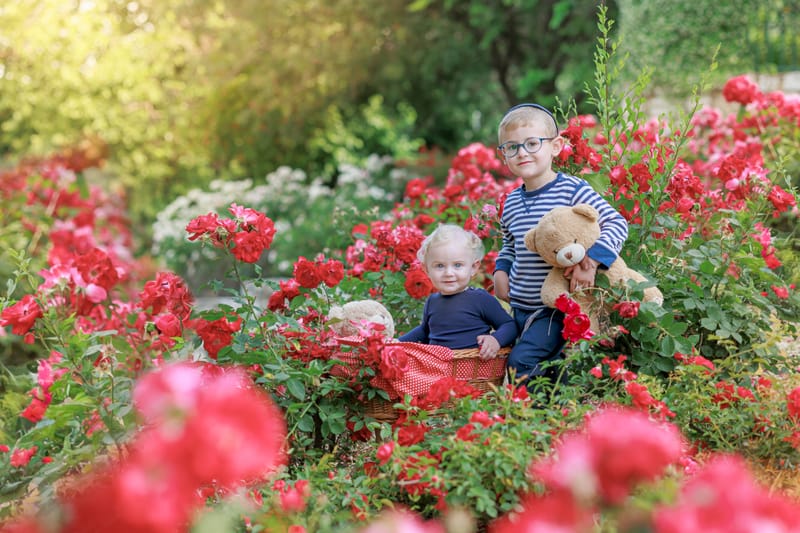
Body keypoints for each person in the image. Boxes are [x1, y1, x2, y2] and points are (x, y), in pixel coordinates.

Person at [492, 103, 629, 388]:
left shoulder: (572, 190)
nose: (522, 153)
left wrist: (591, 262)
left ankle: (529, 413)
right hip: (521, 306)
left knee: (522, 363)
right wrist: (501, 270)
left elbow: (616, 222)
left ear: (555, 146)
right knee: (553, 367)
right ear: (503, 155)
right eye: (512, 147)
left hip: (556, 306)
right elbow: (509, 244)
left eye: (532, 143)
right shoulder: (512, 202)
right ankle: (558, 409)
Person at [399, 224, 517, 359]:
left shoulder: (480, 299)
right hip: (437, 366)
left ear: (473, 268)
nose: (448, 273)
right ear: (427, 270)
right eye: (439, 266)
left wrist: (495, 339)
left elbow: (509, 325)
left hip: (471, 366)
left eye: (457, 265)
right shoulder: (432, 301)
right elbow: (424, 331)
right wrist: (397, 343)